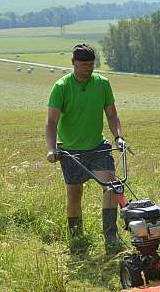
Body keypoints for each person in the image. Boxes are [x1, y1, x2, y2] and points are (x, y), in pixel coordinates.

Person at [45, 43, 125, 255]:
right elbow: (51, 122)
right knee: (74, 193)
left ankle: (111, 235)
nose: (87, 69)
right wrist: (52, 149)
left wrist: (118, 137)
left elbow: (112, 114)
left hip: (97, 146)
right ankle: (76, 237)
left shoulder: (102, 84)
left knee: (111, 186)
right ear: (73, 63)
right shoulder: (61, 87)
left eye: (91, 65)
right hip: (71, 151)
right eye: (83, 65)